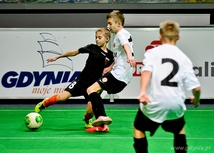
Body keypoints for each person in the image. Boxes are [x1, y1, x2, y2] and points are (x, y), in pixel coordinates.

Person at [133, 20, 201, 153]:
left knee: (139, 127)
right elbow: (196, 88)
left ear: (160, 36)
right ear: (178, 37)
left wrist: (142, 92)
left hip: (155, 102)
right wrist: (197, 100)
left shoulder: (153, 53)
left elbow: (146, 71)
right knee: (179, 129)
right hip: (175, 103)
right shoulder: (184, 58)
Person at [34, 27, 114, 130]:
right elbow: (74, 52)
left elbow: (111, 67)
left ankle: (87, 119)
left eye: (99, 37)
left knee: (90, 113)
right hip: (82, 81)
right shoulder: (92, 48)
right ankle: (44, 103)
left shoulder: (110, 55)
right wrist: (58, 57)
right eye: (96, 37)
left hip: (94, 86)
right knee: (61, 98)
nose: (97, 40)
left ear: (107, 39)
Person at [85, 10, 136, 132]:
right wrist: (111, 66)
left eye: (110, 23)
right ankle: (100, 125)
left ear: (119, 23)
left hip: (119, 75)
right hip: (124, 76)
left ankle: (101, 118)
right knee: (95, 92)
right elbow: (120, 53)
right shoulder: (125, 33)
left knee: (90, 89)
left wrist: (130, 57)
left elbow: (126, 46)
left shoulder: (120, 34)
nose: (108, 26)